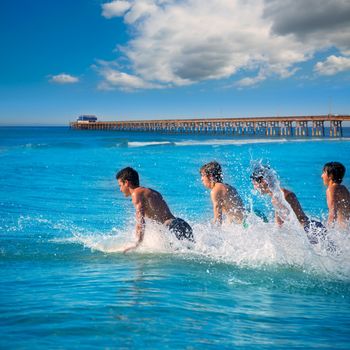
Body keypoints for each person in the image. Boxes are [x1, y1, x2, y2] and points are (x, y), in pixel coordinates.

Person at [116, 167, 194, 253]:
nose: (120, 190)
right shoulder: (148, 191)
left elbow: (140, 220)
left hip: (172, 228)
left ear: (126, 183)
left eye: (120, 185)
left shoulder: (136, 193)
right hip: (180, 223)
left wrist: (137, 243)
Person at [250, 164, 327, 244]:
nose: (254, 187)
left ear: (263, 181)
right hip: (308, 230)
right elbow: (279, 224)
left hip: (311, 230)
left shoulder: (283, 195)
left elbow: (300, 219)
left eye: (254, 184)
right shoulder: (274, 198)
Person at [200, 161, 246, 225]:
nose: (201, 179)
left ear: (210, 176)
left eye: (202, 175)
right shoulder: (226, 186)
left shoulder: (216, 190)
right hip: (249, 220)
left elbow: (218, 220)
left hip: (245, 225)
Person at [321, 162, 350, 229]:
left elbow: (333, 212)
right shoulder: (343, 188)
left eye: (324, 173)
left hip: (343, 232)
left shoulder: (331, 189)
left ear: (330, 175)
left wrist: (328, 232)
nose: (321, 176)